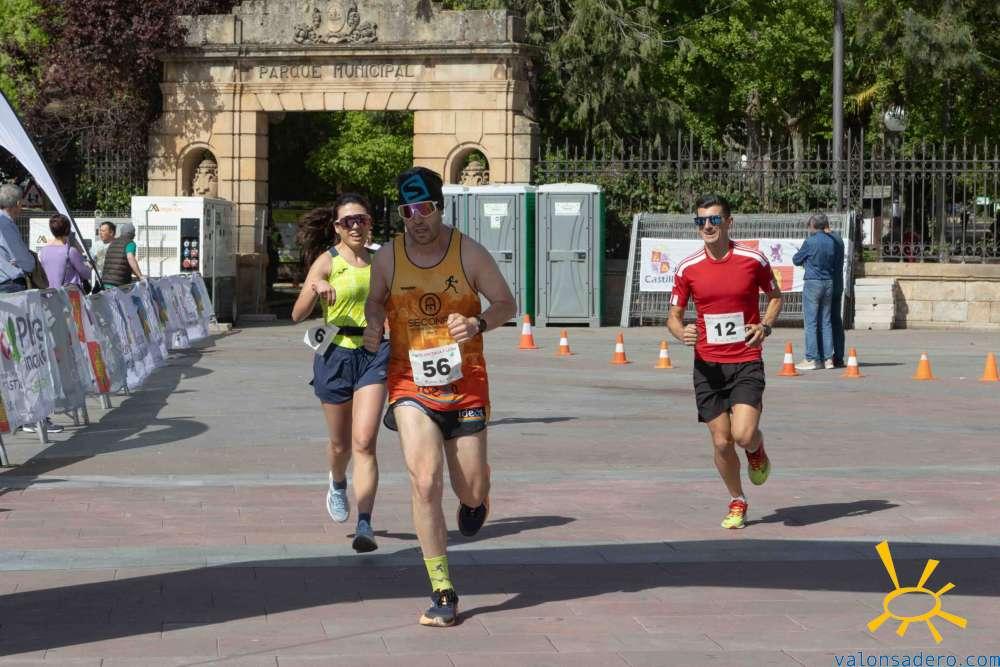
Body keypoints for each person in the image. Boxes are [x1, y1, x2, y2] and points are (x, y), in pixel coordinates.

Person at [363, 167, 516, 627]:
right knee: (425, 480)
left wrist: (477, 323)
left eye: (424, 209)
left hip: (465, 385)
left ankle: (476, 498)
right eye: (408, 212)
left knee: (469, 486)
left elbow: (506, 303)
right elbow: (375, 300)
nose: (417, 220)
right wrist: (375, 322)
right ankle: (442, 589)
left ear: (440, 207)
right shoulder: (388, 257)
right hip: (410, 384)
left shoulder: (468, 252)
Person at [667, 194, 782, 530]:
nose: (707, 226)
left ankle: (756, 450)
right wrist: (681, 332)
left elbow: (775, 297)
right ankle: (737, 499)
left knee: (743, 435)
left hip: (746, 359)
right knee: (721, 441)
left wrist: (764, 326)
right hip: (708, 366)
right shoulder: (687, 268)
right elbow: (673, 316)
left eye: (714, 219)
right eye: (701, 221)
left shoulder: (752, 260)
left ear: (728, 222)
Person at [291, 195, 388, 553]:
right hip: (335, 354)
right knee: (340, 445)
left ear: (370, 223)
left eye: (361, 219)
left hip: (374, 353)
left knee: (364, 442)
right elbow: (297, 315)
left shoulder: (382, 260)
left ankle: (365, 523)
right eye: (348, 221)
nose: (356, 226)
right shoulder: (327, 261)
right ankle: (336, 481)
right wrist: (315, 286)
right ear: (337, 228)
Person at [792, 214, 839, 370]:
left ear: (813, 225)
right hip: (828, 282)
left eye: (809, 225)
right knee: (826, 321)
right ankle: (828, 359)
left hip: (813, 282)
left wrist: (806, 259)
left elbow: (796, 260)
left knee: (811, 322)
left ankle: (811, 359)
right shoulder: (831, 241)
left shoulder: (810, 241)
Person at [817, 215, 846, 367]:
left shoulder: (826, 240)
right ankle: (838, 356)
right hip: (838, 284)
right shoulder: (838, 239)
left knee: (823, 320)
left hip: (826, 284)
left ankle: (824, 356)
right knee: (836, 320)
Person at [38, 214, 93, 288]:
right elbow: (86, 273)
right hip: (68, 293)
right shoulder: (70, 251)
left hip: (50, 292)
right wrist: (90, 267)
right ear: (68, 229)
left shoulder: (43, 251)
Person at [0, 183, 35, 294]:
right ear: (18, 203)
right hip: (8, 283)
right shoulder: (6, 224)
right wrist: (32, 262)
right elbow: (21, 256)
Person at [102, 222, 143, 288]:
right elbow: (130, 258)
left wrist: (136, 273)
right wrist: (140, 276)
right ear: (132, 234)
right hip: (119, 283)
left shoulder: (113, 243)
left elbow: (121, 263)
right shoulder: (130, 243)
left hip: (106, 282)